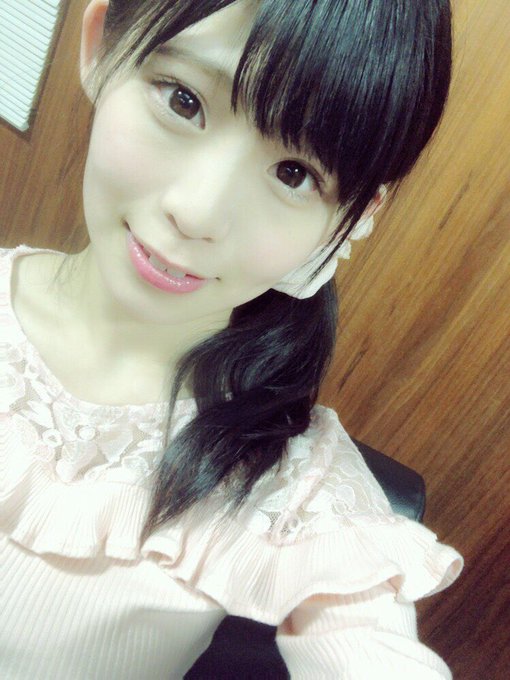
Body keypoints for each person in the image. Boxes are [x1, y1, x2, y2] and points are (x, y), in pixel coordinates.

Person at [0, 0, 464, 677]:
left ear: (356, 215)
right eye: (183, 101)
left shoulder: (301, 497)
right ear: (100, 43)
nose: (197, 212)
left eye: (295, 174)